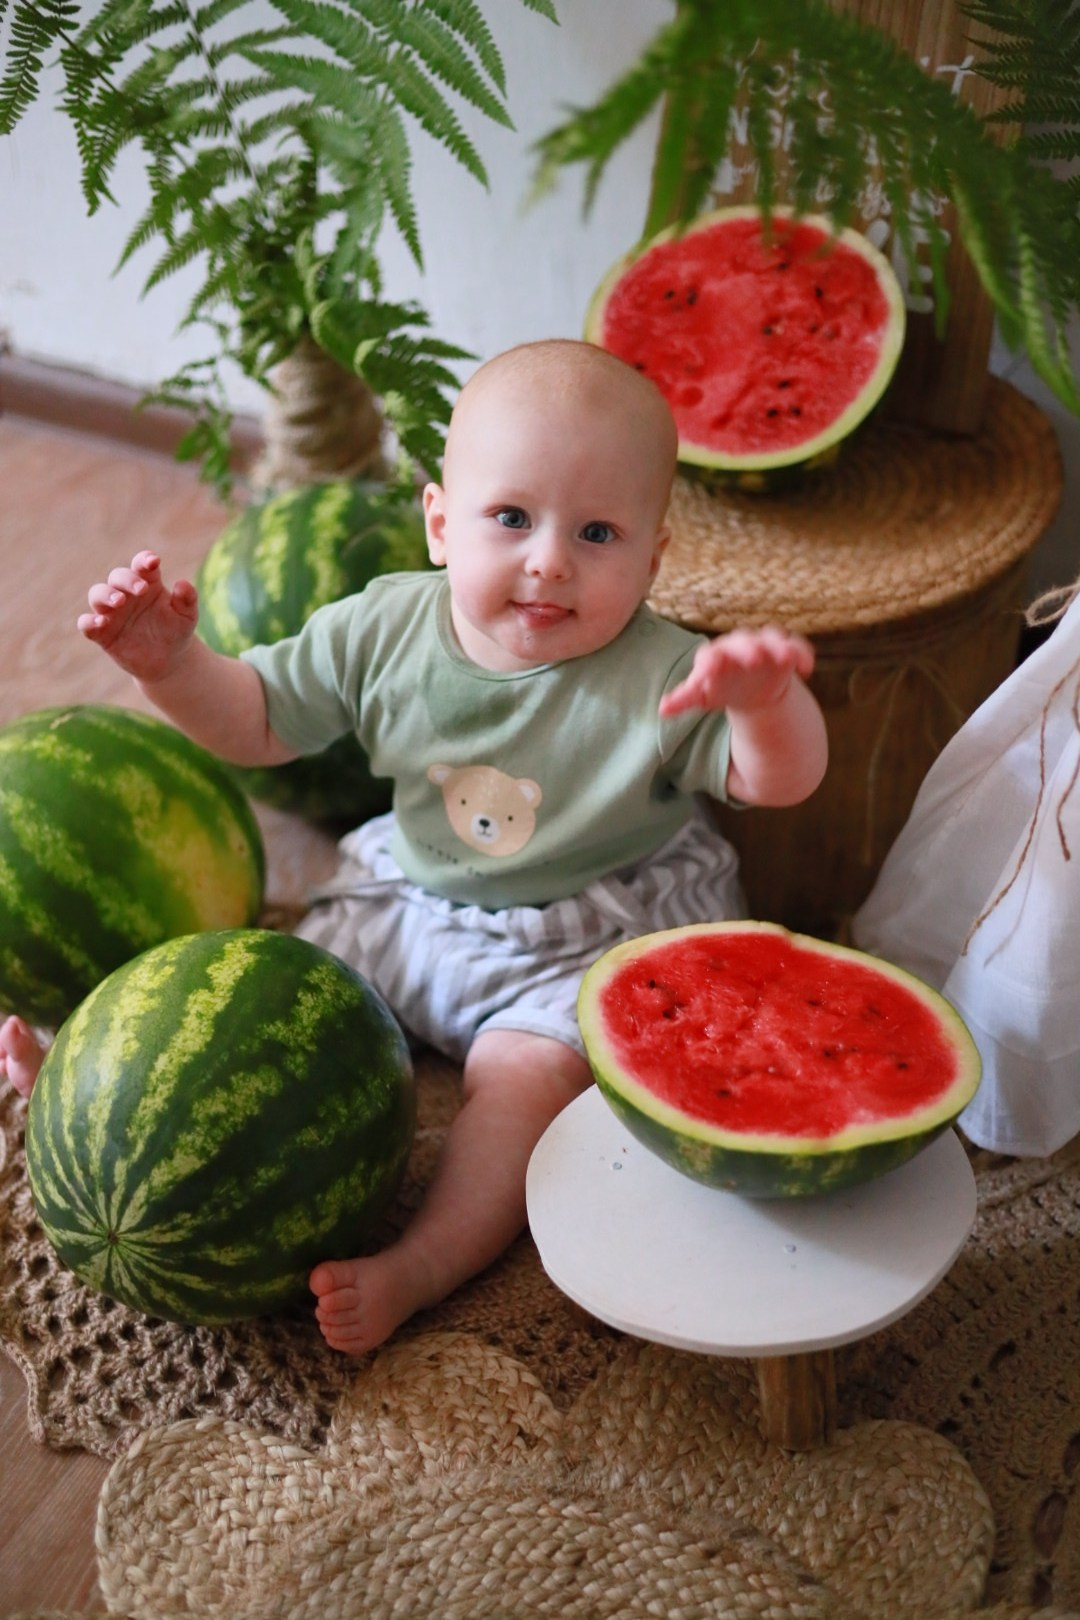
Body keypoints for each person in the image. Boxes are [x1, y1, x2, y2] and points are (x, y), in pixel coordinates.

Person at [0, 339, 828, 1354]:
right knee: (253, 992)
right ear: (440, 523)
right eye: (511, 518)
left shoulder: (665, 672)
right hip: (410, 897)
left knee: (520, 1092)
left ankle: (424, 1263)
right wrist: (172, 666)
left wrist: (767, 704)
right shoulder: (385, 628)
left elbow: (778, 783)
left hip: (582, 930)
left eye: (598, 532)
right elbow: (257, 723)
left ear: (654, 558)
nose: (550, 559)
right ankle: (95, 1114)